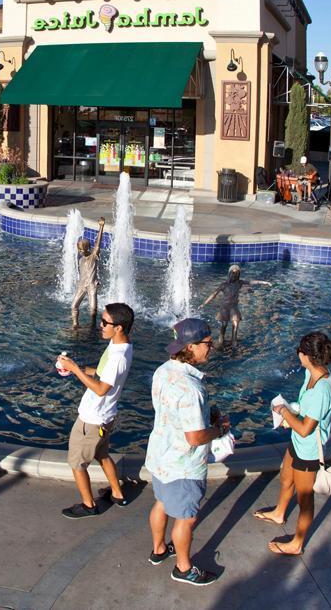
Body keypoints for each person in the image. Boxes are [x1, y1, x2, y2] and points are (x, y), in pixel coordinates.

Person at [146, 317, 230, 586]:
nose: (212, 347)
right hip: (183, 465)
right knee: (186, 517)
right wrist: (218, 429)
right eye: (207, 342)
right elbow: (194, 438)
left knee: (160, 502)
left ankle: (159, 550)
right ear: (191, 346)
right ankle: (183, 568)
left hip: (160, 455)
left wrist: (206, 414)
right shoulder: (192, 389)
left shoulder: (163, 371)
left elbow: (168, 410)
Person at [256, 332, 331, 556]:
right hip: (298, 442)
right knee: (286, 477)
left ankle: (297, 543)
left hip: (309, 450)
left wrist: (283, 412)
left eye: (299, 352)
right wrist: (291, 413)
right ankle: (279, 512)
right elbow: (304, 409)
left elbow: (305, 429)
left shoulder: (321, 390)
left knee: (304, 499)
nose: (298, 356)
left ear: (306, 355)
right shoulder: (311, 373)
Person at [57, 301, 133, 518]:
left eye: (104, 322)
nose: (100, 325)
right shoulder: (123, 345)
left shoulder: (118, 356)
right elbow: (101, 372)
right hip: (105, 417)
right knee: (102, 454)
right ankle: (118, 494)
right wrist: (77, 370)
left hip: (92, 419)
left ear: (118, 327)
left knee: (77, 463)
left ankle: (89, 505)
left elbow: (101, 389)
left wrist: (73, 369)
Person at [199, 265, 270, 345]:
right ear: (229, 274)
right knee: (224, 325)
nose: (234, 275)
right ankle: (221, 339)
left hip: (233, 307)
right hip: (224, 308)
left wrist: (265, 282)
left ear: (238, 275)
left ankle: (234, 341)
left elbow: (252, 282)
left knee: (235, 323)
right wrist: (204, 303)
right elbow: (214, 294)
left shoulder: (239, 283)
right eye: (233, 273)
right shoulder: (224, 285)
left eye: (236, 273)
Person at [70, 218, 107, 329]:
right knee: (74, 306)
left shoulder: (93, 256)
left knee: (93, 309)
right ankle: (75, 324)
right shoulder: (81, 260)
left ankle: (92, 325)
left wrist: (101, 227)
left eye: (82, 250)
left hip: (91, 285)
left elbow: (97, 244)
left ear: (87, 248)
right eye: (79, 250)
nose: (80, 252)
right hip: (81, 285)